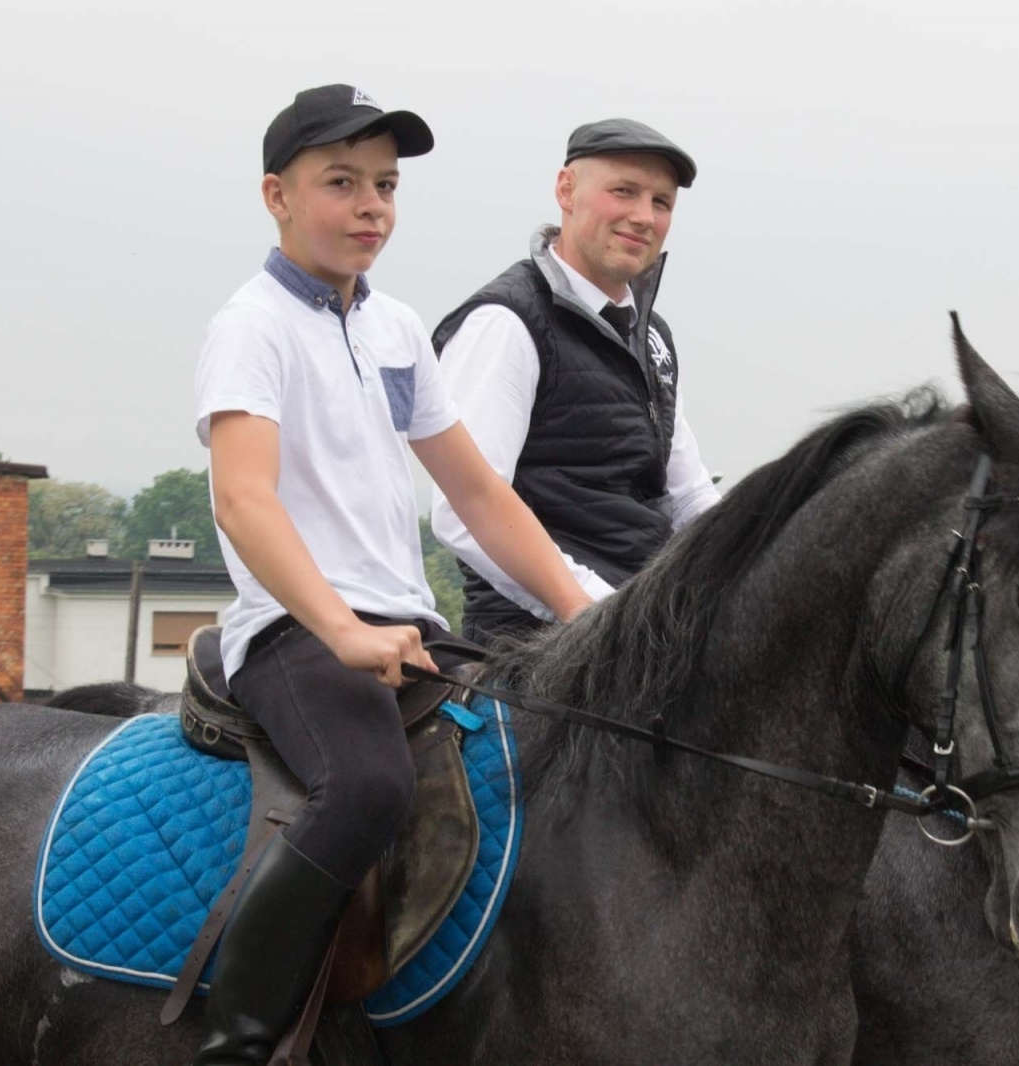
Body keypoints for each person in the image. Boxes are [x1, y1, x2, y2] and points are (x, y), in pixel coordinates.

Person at [192, 84, 591, 1064]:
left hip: (405, 622)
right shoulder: (251, 325)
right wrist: (337, 628)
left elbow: (482, 494)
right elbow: (246, 499)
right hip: (294, 633)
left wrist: (582, 614)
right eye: (341, 183)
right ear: (275, 195)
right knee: (367, 787)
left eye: (385, 184)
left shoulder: (396, 329)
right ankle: (237, 1040)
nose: (371, 205)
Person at [429, 118, 720, 643]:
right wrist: (596, 611)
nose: (643, 216)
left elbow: (691, 498)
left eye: (661, 202)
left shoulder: (650, 336)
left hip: (642, 636)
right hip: (539, 651)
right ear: (566, 190)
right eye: (624, 192)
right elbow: (460, 509)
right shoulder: (507, 322)